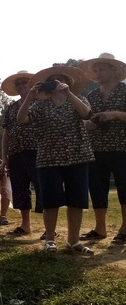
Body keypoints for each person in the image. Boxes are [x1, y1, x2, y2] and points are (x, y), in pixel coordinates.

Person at [16, 65, 95, 255]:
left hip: (78, 155)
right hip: (48, 158)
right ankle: (50, 239)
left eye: (63, 79)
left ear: (69, 83)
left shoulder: (79, 100)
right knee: (51, 201)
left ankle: (74, 241)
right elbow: (21, 119)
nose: (59, 83)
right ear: (48, 85)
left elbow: (86, 114)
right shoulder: (39, 106)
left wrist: (69, 94)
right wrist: (29, 96)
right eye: (55, 80)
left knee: (77, 200)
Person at [77, 53, 126, 245]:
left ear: (113, 70)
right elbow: (87, 118)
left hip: (122, 146)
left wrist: (114, 114)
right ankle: (100, 228)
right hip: (96, 147)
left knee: (124, 187)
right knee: (97, 188)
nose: (98, 73)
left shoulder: (124, 91)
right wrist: (89, 124)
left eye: (101, 69)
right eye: (95, 70)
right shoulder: (92, 96)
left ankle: (125, 228)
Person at [1, 70, 43, 236]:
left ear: (31, 84)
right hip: (16, 153)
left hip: (37, 150)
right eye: (18, 84)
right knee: (20, 189)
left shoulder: (41, 102)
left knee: (42, 187)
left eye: (24, 82)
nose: (21, 86)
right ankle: (25, 225)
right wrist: (4, 157)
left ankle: (49, 227)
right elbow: (6, 133)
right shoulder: (11, 108)